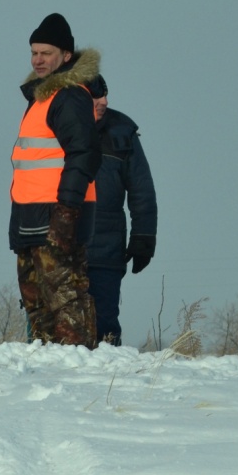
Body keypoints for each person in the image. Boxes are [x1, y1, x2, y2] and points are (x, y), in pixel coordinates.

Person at [9, 13, 101, 348]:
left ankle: (77, 372)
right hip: (29, 216)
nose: (38, 59)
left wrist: (67, 211)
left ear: (65, 55)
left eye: (46, 53)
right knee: (37, 303)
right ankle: (46, 370)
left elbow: (84, 154)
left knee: (66, 300)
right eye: (34, 53)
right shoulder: (40, 98)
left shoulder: (69, 97)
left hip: (59, 215)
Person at [85, 75, 157, 346]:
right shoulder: (52, 128)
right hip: (58, 250)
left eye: (105, 94)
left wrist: (144, 238)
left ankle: (110, 386)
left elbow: (142, 190)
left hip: (106, 251)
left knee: (105, 332)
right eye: (96, 95)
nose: (104, 100)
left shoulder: (122, 131)